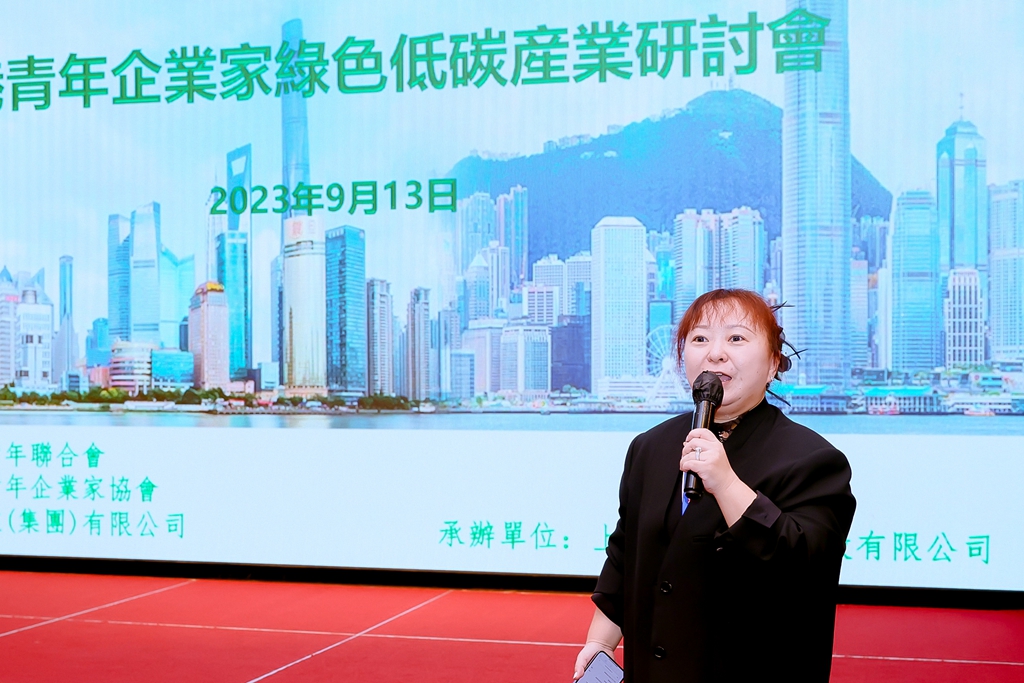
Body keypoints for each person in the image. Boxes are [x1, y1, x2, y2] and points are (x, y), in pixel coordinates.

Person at [573, 289, 856, 683]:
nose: (715, 353)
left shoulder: (813, 459)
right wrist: (600, 642)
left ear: (773, 363)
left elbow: (803, 565)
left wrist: (725, 483)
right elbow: (625, 553)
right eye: (700, 338)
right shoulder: (650, 447)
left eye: (736, 338)